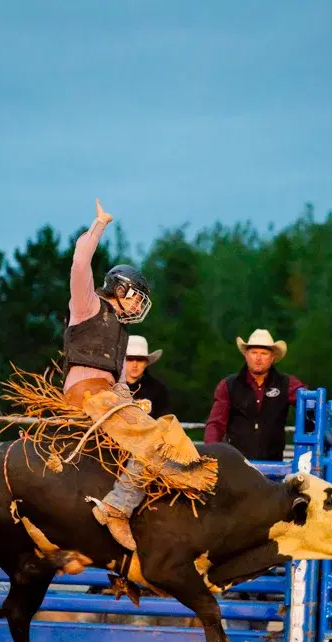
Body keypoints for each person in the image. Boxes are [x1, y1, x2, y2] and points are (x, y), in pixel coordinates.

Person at [57, 199, 216, 550]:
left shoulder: (118, 330)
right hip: (88, 393)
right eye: (137, 297)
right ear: (123, 289)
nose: (138, 305)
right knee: (153, 439)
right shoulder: (87, 304)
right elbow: (80, 261)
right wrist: (100, 224)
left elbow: (117, 380)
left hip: (108, 395)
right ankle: (118, 506)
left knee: (161, 431)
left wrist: (130, 401)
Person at [204, 328, 307, 461]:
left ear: (272, 357)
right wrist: (210, 454)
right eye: (254, 352)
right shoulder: (228, 385)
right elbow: (216, 424)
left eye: (264, 353)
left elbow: (309, 402)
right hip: (236, 465)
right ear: (246, 355)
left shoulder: (287, 384)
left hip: (273, 465)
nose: (258, 358)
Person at [125, 335, 171, 418]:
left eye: (139, 359)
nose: (135, 364)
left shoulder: (157, 389)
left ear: (146, 362)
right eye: (130, 359)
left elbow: (164, 421)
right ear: (122, 361)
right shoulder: (110, 386)